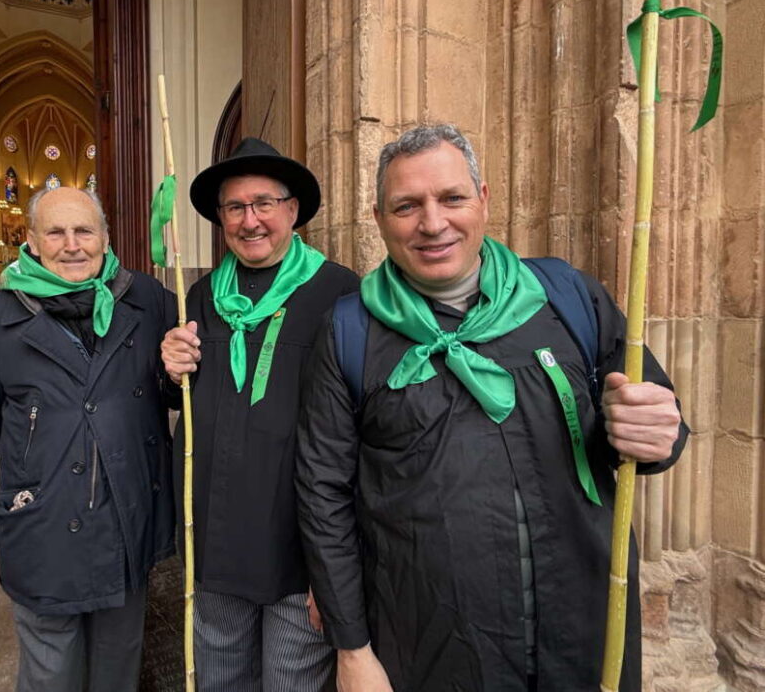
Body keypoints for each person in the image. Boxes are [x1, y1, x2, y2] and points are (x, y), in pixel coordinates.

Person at [295, 123, 688, 692]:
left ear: (483, 200)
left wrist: (656, 434)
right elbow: (322, 493)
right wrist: (353, 650)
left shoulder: (566, 298)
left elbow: (651, 416)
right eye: (407, 206)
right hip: (432, 641)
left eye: (452, 197)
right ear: (378, 219)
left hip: (581, 620)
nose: (433, 223)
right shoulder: (349, 332)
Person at [0, 187, 177, 692]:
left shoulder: (150, 300)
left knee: (119, 668)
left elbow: (183, 393)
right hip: (43, 526)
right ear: (30, 240)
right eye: (56, 232)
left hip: (127, 522)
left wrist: (182, 371)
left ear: (105, 237)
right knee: (51, 674)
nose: (72, 245)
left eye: (84, 230)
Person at [160, 137, 359, 691]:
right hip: (215, 543)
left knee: (292, 682)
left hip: (300, 548)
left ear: (292, 211)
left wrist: (338, 567)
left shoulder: (342, 295)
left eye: (264, 203)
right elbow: (183, 403)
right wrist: (169, 368)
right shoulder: (196, 297)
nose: (251, 221)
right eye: (235, 207)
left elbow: (363, 432)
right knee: (220, 679)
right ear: (220, 218)